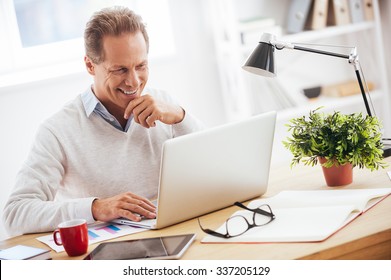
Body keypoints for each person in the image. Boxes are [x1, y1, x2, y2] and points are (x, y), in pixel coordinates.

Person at [3, 6, 204, 236]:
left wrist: (180, 116)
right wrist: (96, 207)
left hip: (175, 236)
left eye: (141, 66)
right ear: (90, 65)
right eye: (120, 69)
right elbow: (15, 214)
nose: (134, 81)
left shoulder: (165, 107)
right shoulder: (58, 131)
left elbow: (215, 168)